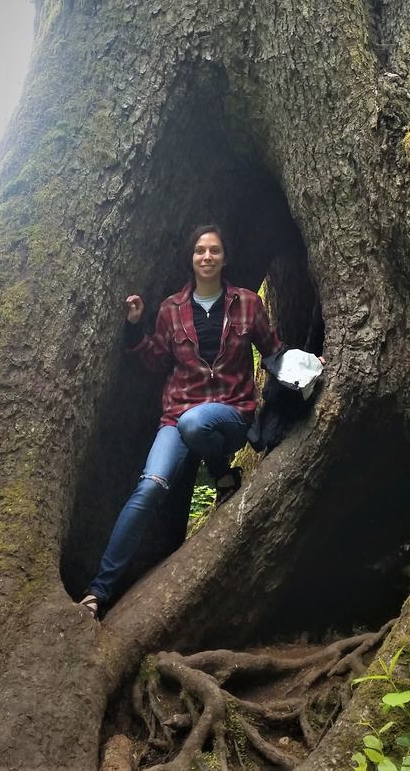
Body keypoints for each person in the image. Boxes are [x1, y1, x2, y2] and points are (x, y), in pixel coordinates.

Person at [79, 224, 283, 620]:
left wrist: (307, 364)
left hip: (232, 412)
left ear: (225, 257)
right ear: (191, 258)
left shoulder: (245, 303)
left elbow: (273, 350)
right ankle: (98, 592)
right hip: (177, 415)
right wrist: (136, 326)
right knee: (148, 489)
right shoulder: (172, 309)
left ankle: (222, 469)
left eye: (214, 251)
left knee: (195, 423)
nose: (207, 257)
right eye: (200, 251)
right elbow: (156, 360)